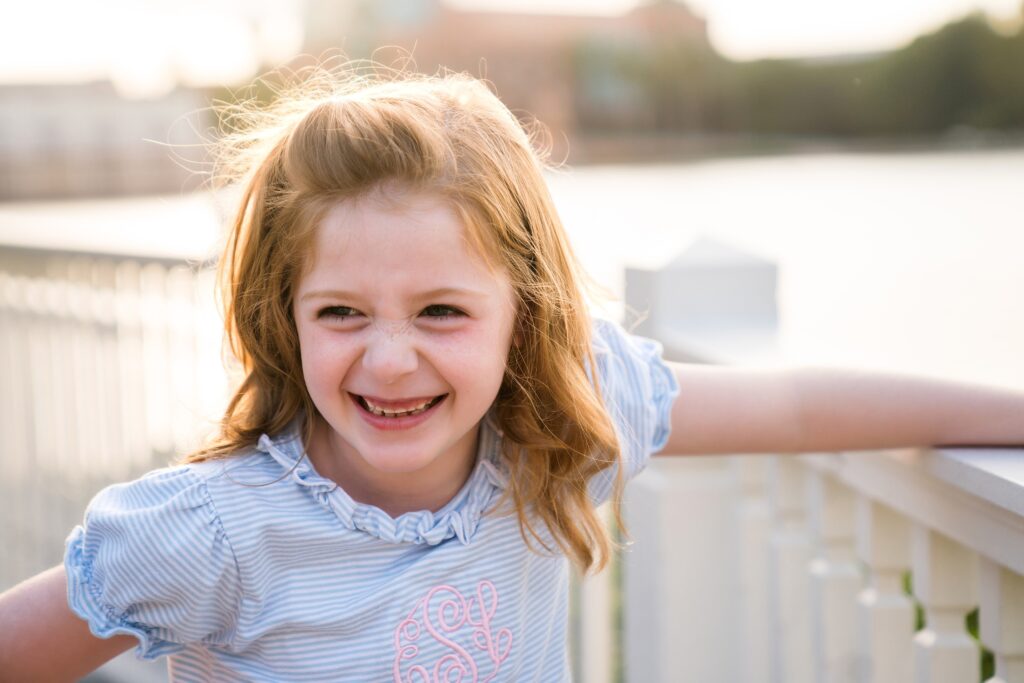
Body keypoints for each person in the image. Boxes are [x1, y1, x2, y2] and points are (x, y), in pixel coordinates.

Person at [0, 62, 1022, 683]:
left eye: (441, 310)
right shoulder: (207, 529)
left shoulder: (550, 430)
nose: (389, 356)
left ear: (521, 316)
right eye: (342, 312)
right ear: (285, 318)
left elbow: (795, 403)